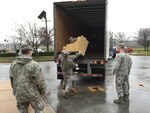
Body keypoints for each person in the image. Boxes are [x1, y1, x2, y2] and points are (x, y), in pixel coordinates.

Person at [9, 46, 46, 113]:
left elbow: (11, 79)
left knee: (22, 111)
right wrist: (43, 90)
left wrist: (15, 90)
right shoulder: (34, 64)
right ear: (29, 52)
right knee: (39, 110)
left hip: (19, 93)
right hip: (33, 94)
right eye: (31, 51)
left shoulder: (13, 64)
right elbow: (40, 80)